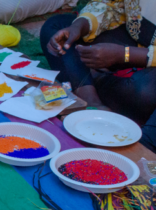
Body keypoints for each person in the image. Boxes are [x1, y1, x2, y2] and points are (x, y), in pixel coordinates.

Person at [40, 0, 156, 152]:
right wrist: (79, 27)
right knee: (58, 26)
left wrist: (125, 55)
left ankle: (143, 149)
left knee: (144, 91)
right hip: (138, 42)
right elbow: (112, 5)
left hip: (145, 80)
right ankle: (91, 100)